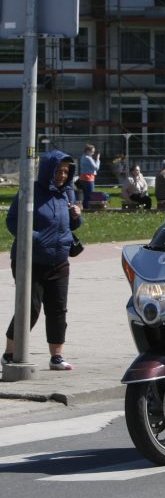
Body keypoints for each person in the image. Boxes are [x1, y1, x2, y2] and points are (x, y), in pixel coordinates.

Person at [2, 150, 83, 371]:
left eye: (67, 171)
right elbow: (12, 222)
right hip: (31, 260)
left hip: (59, 261)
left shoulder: (67, 193)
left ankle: (56, 356)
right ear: (48, 169)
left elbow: (72, 225)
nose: (62, 175)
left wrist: (77, 216)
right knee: (30, 307)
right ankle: (10, 352)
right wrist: (36, 239)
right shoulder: (30, 191)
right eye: (59, 170)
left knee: (58, 309)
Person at [76, 144, 99, 208]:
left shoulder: (83, 157)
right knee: (90, 194)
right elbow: (96, 167)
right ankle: (87, 207)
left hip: (83, 178)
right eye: (92, 151)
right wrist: (98, 160)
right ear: (88, 151)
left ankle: (85, 207)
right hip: (88, 178)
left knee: (86, 194)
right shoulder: (88, 158)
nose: (93, 153)